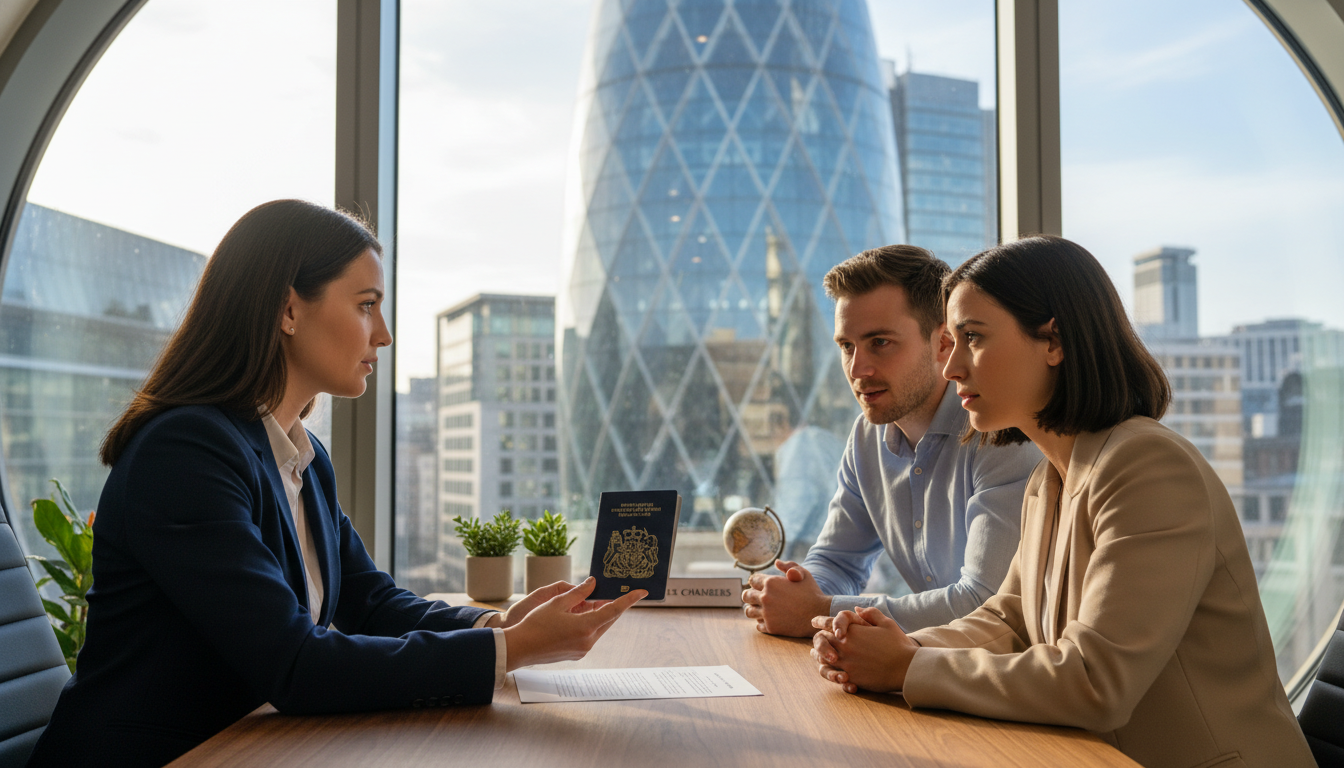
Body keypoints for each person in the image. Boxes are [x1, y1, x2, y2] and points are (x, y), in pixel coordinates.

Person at [27, 200, 646, 768]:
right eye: (366, 304)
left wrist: (499, 627)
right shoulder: (185, 453)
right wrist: (511, 653)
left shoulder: (302, 456)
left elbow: (368, 602)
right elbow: (295, 665)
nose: (384, 335)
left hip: (252, 748)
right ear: (288, 310)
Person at [811, 236, 1313, 768]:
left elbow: (1095, 680)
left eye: (973, 338)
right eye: (951, 342)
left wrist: (907, 668)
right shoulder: (1048, 480)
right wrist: (887, 647)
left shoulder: (1147, 467)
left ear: (1053, 341)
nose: (952, 366)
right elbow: (1008, 621)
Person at [742, 245, 1041, 636]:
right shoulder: (867, 436)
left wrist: (820, 609)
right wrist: (794, 591)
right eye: (847, 346)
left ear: (943, 344)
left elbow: (983, 603)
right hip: (928, 666)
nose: (857, 369)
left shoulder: (1001, 432)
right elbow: (837, 562)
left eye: (879, 342)